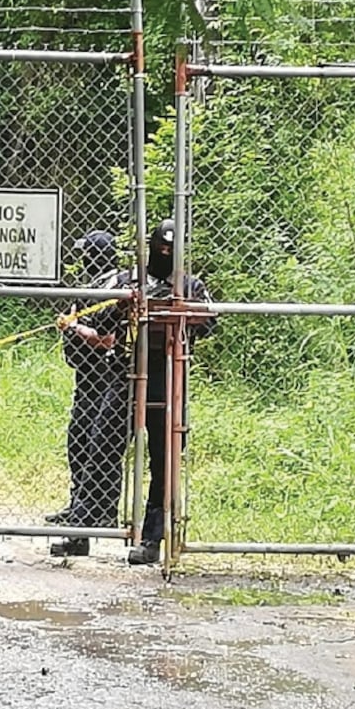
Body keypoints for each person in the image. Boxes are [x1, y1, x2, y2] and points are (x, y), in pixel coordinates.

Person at [126, 218, 216, 565]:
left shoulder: (190, 284)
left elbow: (210, 320)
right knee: (100, 446)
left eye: (171, 251)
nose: (165, 255)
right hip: (126, 375)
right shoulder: (131, 279)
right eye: (160, 249)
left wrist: (176, 310)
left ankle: (152, 538)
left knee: (165, 458)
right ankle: (85, 528)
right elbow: (103, 311)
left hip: (168, 377)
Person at [48, 230, 130, 558]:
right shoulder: (91, 285)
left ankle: (99, 513)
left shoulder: (115, 285)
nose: (83, 258)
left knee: (100, 445)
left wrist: (73, 328)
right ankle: (79, 506)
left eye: (87, 252)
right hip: (86, 376)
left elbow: (108, 338)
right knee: (79, 441)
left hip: (106, 377)